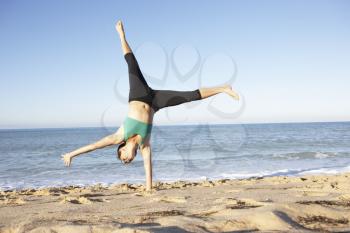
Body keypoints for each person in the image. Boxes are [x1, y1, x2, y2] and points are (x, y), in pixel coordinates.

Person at [61, 20, 239, 191]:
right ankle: (223, 89)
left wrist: (71, 154)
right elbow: (148, 167)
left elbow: (93, 146)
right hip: (155, 103)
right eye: (127, 161)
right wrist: (148, 189)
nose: (126, 161)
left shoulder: (118, 136)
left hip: (138, 95)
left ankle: (121, 35)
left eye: (123, 159)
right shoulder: (144, 145)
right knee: (189, 97)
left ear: (121, 149)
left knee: (132, 64)